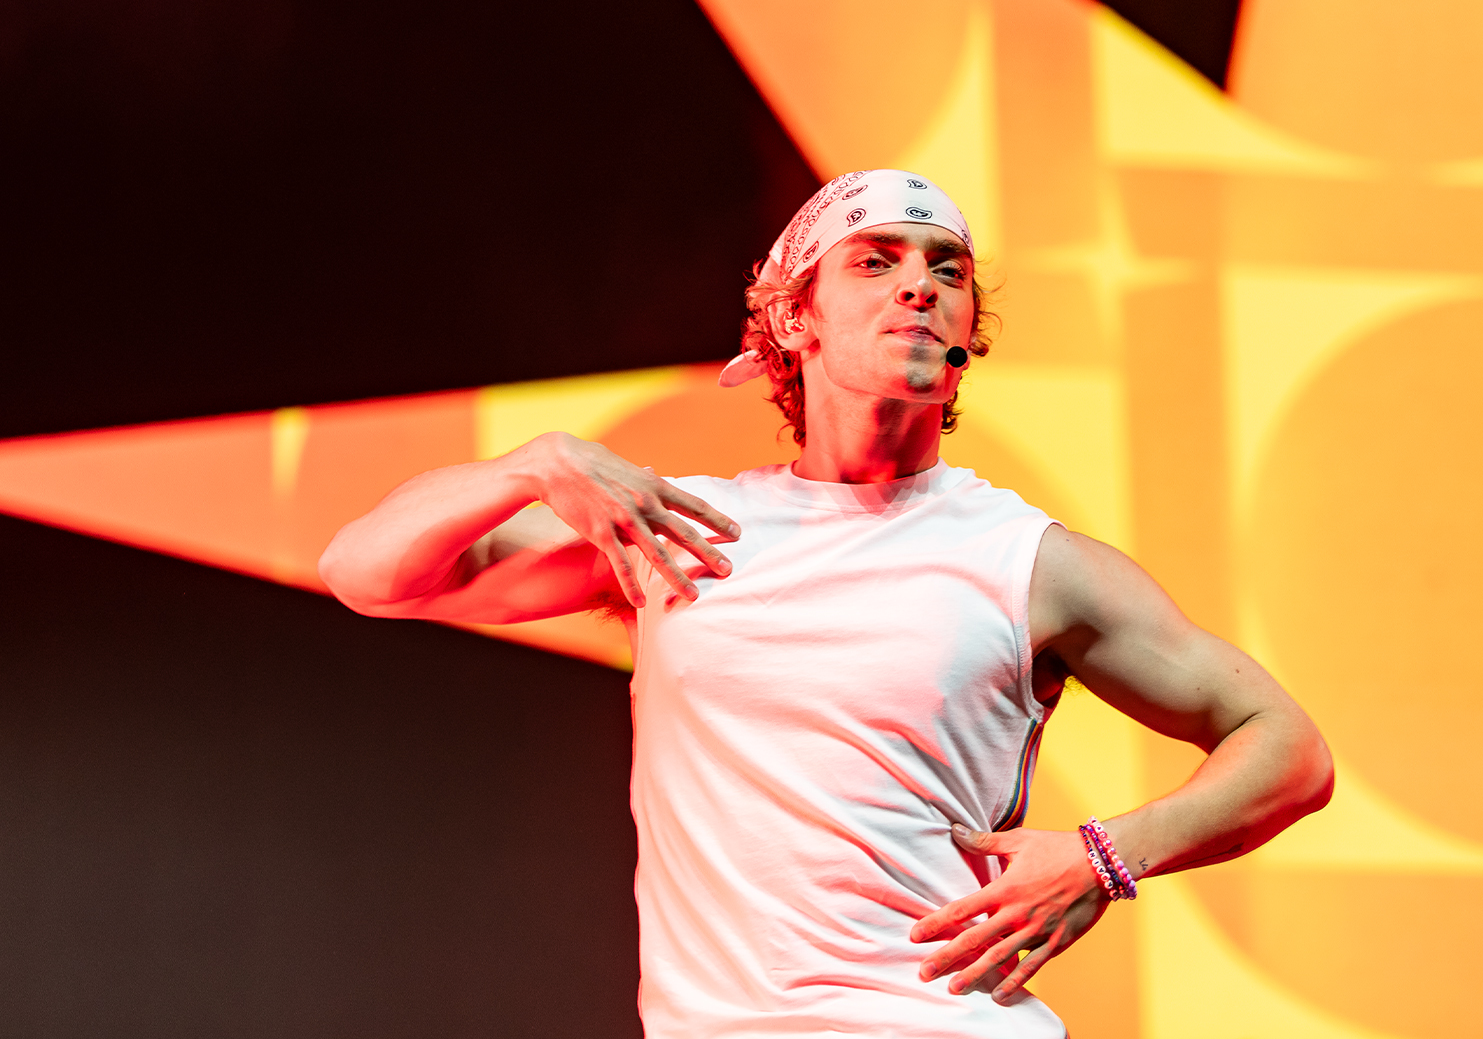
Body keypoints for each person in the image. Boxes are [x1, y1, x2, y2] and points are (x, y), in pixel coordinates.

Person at [317, 169, 1333, 1037]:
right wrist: (529, 467)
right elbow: (369, 571)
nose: (919, 286)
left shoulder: (1027, 560)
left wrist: (1099, 859)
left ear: (967, 333)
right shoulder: (680, 527)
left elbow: (1287, 750)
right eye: (875, 261)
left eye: (947, 270)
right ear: (792, 319)